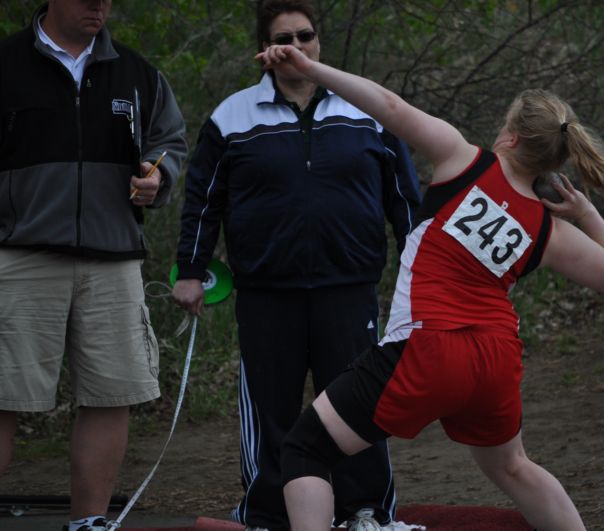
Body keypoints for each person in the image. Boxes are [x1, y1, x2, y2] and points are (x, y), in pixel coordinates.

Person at [256, 43, 604, 531]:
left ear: (512, 134)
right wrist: (586, 213)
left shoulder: (464, 159)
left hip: (431, 344)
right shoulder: (548, 229)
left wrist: (311, 69)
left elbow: (389, 106)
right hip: (496, 357)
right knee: (513, 466)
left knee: (306, 448)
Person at [171, 1, 420, 530]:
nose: (296, 46)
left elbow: (405, 197)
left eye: (305, 35)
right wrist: (190, 270)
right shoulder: (231, 115)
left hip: (349, 287)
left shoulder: (367, 109)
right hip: (267, 292)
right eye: (282, 37)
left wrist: (425, 274)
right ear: (264, 50)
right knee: (271, 412)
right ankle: (269, 515)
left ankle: (365, 512)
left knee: (358, 405)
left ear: (319, 42)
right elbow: (203, 199)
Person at [0, 1, 187, 531]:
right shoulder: (7, 64)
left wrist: (157, 175)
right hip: (20, 256)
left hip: (113, 258)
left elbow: (168, 143)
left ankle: (89, 523)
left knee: (112, 393)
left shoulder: (138, 73)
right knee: (2, 394)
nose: (99, 7)